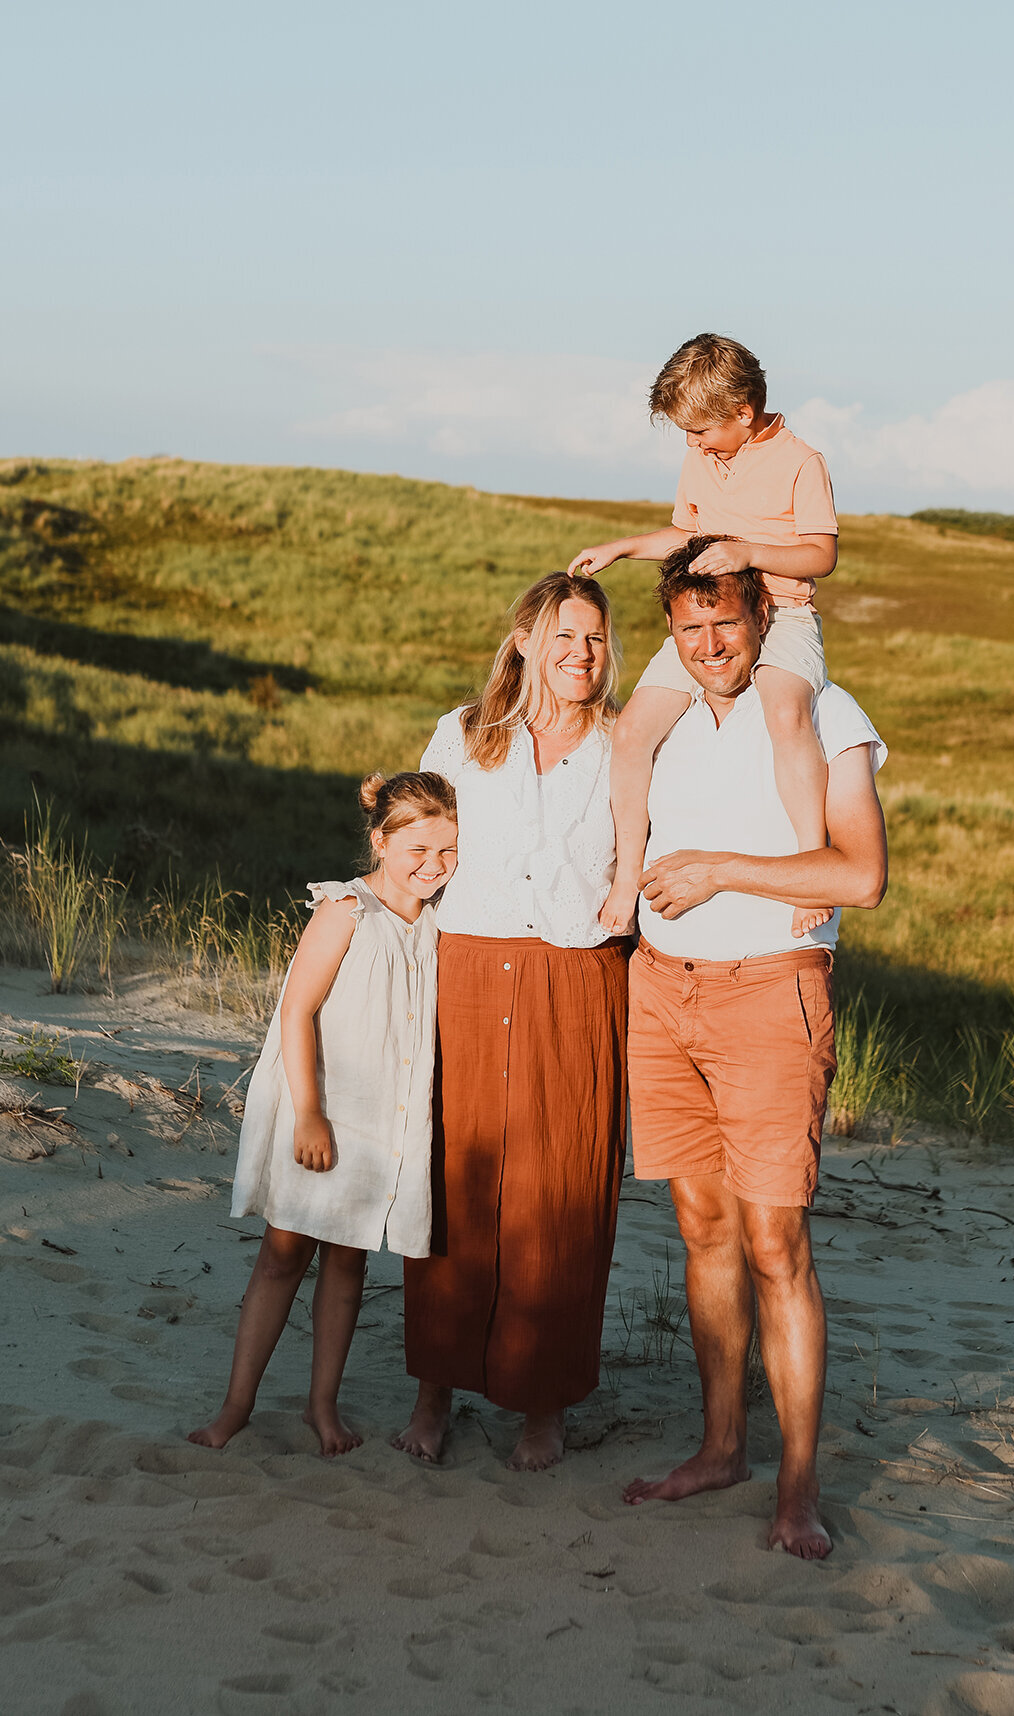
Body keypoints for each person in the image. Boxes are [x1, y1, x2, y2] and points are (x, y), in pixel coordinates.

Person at [621, 539, 888, 1558]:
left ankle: (797, 1489)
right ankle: (720, 1447)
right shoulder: (668, 719)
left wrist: (719, 870)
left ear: (762, 619)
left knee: (776, 1243)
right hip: (662, 993)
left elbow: (858, 876)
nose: (708, 645)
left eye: (723, 624)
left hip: (771, 1000)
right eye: (688, 630)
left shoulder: (827, 714)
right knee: (699, 1228)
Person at [393, 572, 629, 1473]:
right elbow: (418, 838)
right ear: (525, 640)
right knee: (456, 1182)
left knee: (559, 1191)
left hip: (577, 975)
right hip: (466, 972)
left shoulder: (622, 744)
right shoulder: (463, 734)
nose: (582, 654)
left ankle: (544, 1399)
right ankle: (435, 1389)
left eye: (597, 640)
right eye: (565, 636)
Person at [189, 771, 459, 1457]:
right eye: (417, 850)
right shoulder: (347, 910)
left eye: (447, 853)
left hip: (380, 1122)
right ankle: (236, 1405)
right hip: (324, 1110)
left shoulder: (437, 928)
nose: (432, 866)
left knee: (347, 1265)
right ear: (380, 841)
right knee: (282, 1256)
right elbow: (297, 1010)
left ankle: (321, 1406)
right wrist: (309, 1114)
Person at [568, 332, 838, 940]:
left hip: (781, 611)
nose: (693, 445)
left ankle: (809, 867)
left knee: (787, 714)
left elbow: (820, 555)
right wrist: (623, 548)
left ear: (744, 414)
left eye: (702, 432)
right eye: (687, 434)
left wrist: (748, 550)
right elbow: (684, 535)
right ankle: (626, 877)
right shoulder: (701, 458)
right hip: (713, 610)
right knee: (634, 729)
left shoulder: (801, 462)